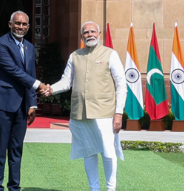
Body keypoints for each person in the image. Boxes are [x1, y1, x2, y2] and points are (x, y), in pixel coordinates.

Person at [46, 21, 126, 191]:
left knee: (108, 152)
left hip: (105, 112)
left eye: (92, 31)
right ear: (81, 36)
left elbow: (121, 85)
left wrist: (119, 113)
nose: (90, 35)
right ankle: (94, 188)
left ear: (99, 34)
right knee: (88, 152)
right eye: (86, 32)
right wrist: (51, 89)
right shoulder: (75, 55)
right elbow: (66, 82)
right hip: (81, 113)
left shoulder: (110, 54)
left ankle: (111, 188)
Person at [0, 11, 47, 191]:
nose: (20, 27)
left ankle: (14, 187)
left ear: (28, 27)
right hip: (2, 104)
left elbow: (30, 74)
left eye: (24, 24)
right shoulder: (0, 44)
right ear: (10, 24)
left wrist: (32, 103)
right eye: (17, 23)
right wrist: (39, 85)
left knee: (16, 149)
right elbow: (13, 70)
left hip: (22, 106)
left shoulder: (29, 47)